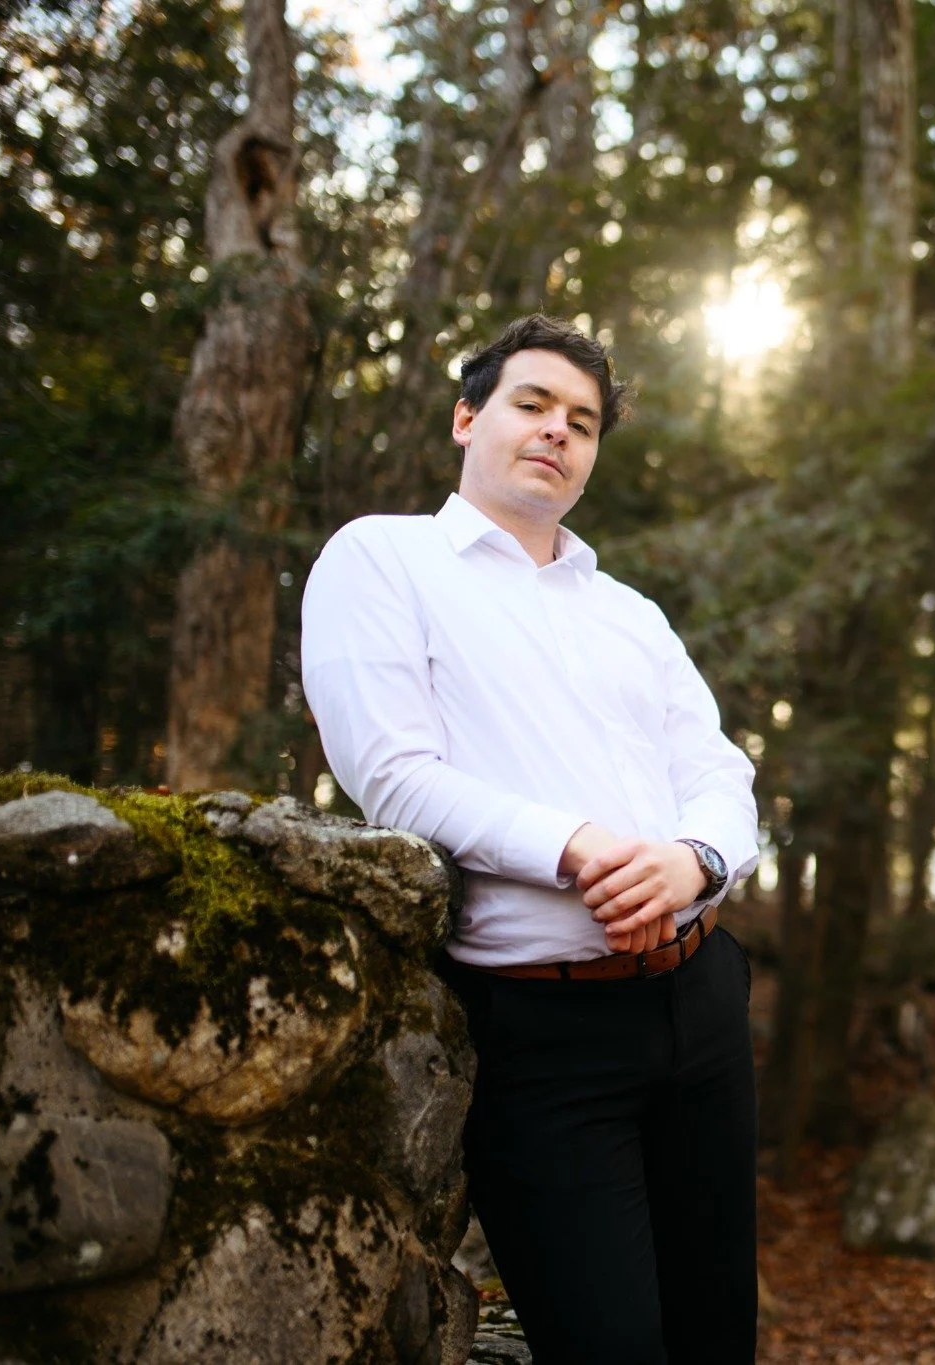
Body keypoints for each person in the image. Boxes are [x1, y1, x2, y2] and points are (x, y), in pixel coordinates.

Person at [300, 314, 761, 1363]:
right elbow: (390, 775)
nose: (559, 432)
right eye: (533, 404)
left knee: (715, 1335)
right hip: (542, 1033)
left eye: (583, 422)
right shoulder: (382, 559)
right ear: (468, 418)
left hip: (700, 1005)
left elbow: (718, 774)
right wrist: (579, 846)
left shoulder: (630, 612)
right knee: (604, 1344)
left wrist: (694, 859)